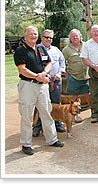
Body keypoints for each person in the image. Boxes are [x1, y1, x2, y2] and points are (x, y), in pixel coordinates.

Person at [14, 26, 64, 155]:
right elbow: (22, 69)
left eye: (35, 34)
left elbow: (49, 63)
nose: (33, 36)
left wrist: (43, 73)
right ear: (25, 36)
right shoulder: (20, 51)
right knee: (26, 115)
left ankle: (52, 139)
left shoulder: (41, 48)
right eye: (31, 34)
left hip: (42, 86)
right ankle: (26, 143)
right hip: (28, 85)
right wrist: (37, 76)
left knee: (47, 112)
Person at [32, 29, 66, 137]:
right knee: (40, 104)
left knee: (56, 104)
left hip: (55, 81)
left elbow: (62, 62)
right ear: (41, 37)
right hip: (41, 82)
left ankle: (57, 123)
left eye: (50, 38)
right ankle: (37, 127)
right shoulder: (36, 49)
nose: (48, 39)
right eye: (46, 37)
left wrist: (60, 73)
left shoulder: (56, 50)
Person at [62, 29, 92, 122]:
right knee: (74, 97)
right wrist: (67, 74)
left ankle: (93, 111)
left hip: (86, 76)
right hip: (74, 77)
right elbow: (62, 63)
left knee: (89, 95)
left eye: (76, 36)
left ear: (80, 37)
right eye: (73, 36)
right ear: (70, 38)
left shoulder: (86, 46)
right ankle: (76, 115)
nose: (75, 37)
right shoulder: (66, 50)